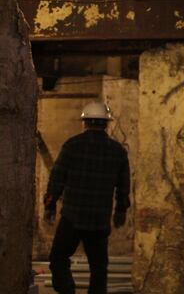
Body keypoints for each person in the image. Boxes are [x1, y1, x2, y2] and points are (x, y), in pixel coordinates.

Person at [43, 102, 130, 294]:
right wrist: (121, 210)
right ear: (106, 124)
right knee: (99, 270)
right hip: (99, 220)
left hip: (72, 218)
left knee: (58, 259)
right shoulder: (118, 151)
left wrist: (49, 205)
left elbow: (57, 178)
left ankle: (67, 291)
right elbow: (124, 186)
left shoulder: (72, 146)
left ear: (85, 123)